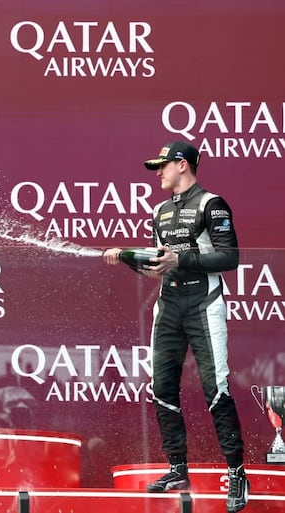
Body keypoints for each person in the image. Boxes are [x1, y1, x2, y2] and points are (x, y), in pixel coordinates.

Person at [103, 141, 249, 513]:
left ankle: (236, 473)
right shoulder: (160, 211)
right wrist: (125, 257)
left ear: (182, 165)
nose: (158, 173)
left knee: (215, 388)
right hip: (168, 305)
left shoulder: (211, 204)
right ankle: (176, 468)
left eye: (163, 166)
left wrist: (180, 258)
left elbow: (230, 256)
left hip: (204, 304)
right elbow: (159, 264)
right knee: (161, 387)